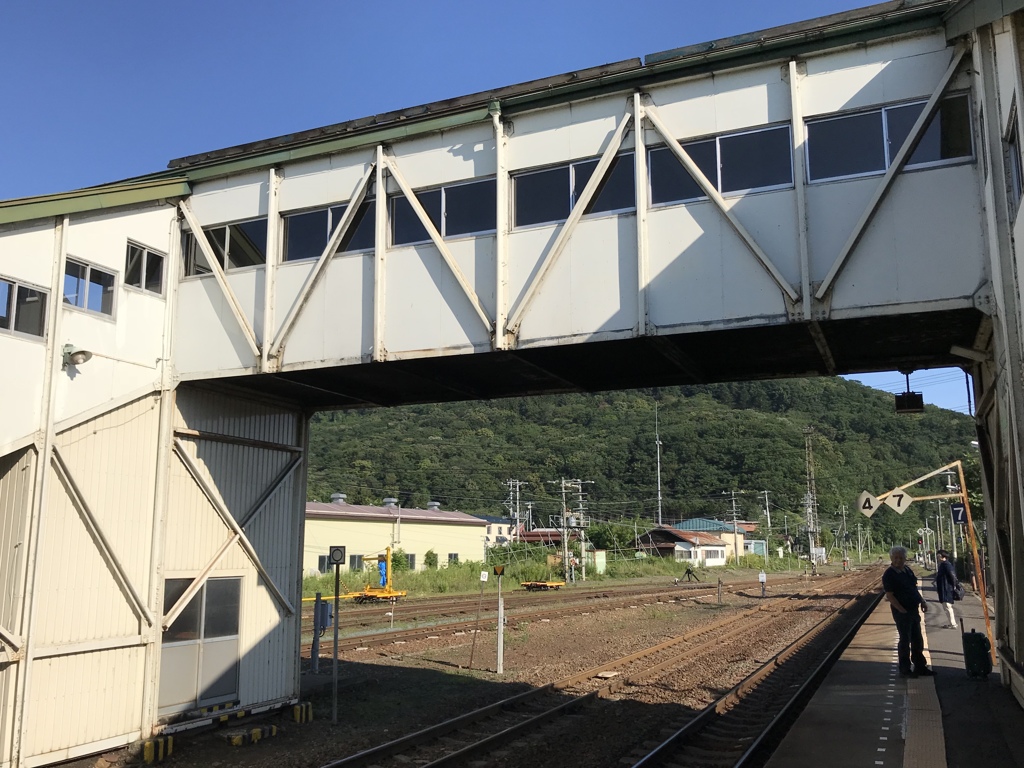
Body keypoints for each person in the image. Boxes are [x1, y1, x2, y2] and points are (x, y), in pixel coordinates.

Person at [882, 545, 934, 678]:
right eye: (895, 558)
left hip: (913, 609)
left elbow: (913, 588)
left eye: (901, 557)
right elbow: (890, 595)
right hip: (902, 611)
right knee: (905, 640)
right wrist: (901, 610)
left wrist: (922, 601)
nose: (898, 560)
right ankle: (905, 669)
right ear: (891, 558)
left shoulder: (907, 570)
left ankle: (920, 666)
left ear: (905, 558)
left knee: (917, 639)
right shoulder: (889, 574)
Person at [934, 549, 958, 629]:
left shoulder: (946, 565)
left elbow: (953, 576)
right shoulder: (943, 565)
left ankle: (953, 624)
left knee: (947, 606)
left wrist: (954, 586)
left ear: (942, 556)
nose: (937, 556)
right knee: (946, 606)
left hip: (946, 588)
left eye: (938, 555)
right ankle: (951, 623)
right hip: (944, 588)